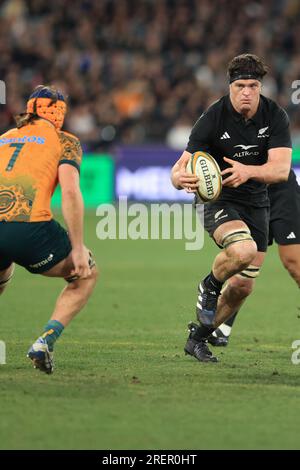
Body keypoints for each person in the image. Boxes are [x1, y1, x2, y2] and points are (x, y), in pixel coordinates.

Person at [170, 54, 292, 362]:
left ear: (260, 86)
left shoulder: (275, 116)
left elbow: (280, 170)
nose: (247, 92)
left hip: (257, 202)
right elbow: (178, 170)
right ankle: (209, 286)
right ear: (230, 87)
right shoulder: (212, 118)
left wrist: (249, 172)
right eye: (241, 86)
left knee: (241, 287)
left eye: (253, 85)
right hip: (219, 200)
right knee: (242, 251)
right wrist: (178, 178)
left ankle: (197, 338)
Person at [0, 85, 98, 374]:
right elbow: (69, 192)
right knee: (87, 273)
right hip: (29, 229)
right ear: (59, 114)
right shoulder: (64, 140)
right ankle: (45, 341)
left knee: (3, 274)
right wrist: (78, 248)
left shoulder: (4, 138)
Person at [208, 168, 300, 346]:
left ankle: (218, 327)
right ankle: (217, 327)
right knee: (244, 260)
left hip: (280, 190)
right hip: (245, 192)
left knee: (294, 263)